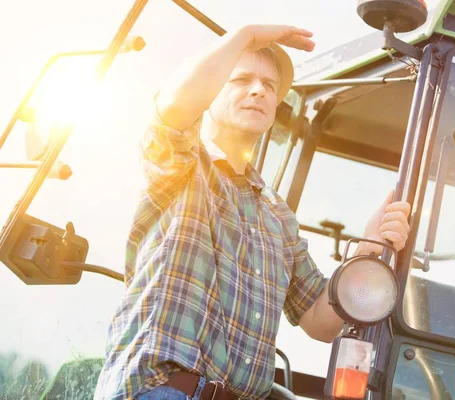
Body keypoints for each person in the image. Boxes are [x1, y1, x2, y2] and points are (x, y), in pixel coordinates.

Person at [94, 24, 411, 400]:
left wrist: (369, 247)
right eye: (241, 79)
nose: (259, 90)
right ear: (210, 92)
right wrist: (245, 36)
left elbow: (320, 321)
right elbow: (176, 108)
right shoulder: (181, 166)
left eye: (270, 86)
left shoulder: (277, 215)